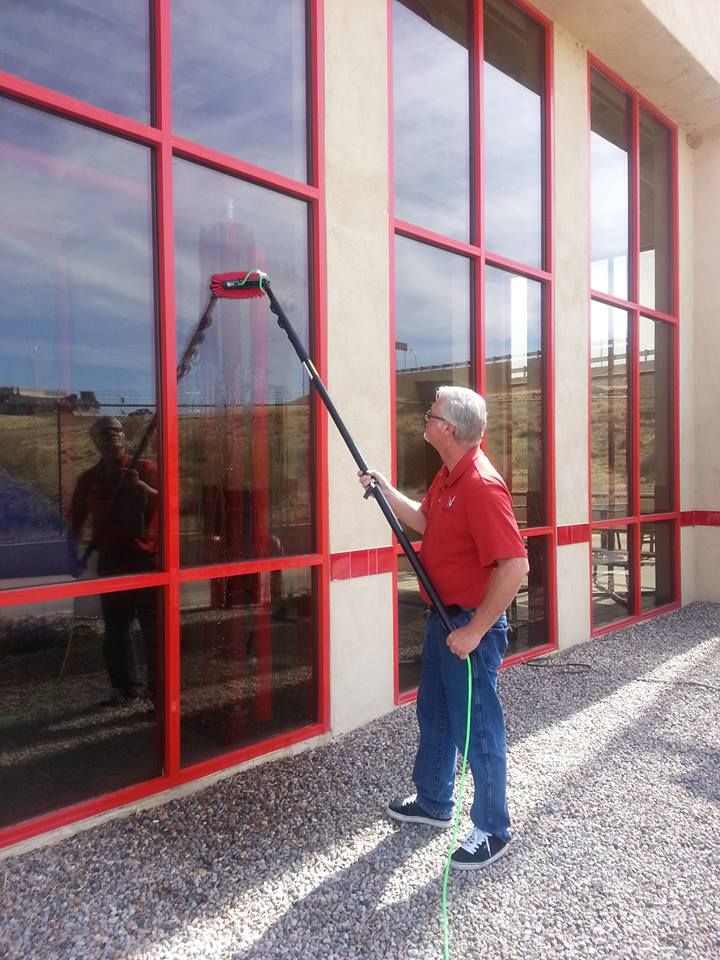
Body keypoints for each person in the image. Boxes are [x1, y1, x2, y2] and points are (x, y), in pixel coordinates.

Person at [359, 386, 528, 870]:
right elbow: (427, 521)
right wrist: (386, 490)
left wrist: (475, 630)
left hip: (467, 629)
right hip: (442, 619)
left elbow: (515, 565)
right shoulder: (450, 475)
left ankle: (493, 828)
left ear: (447, 429)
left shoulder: (480, 484)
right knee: (434, 714)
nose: (425, 421)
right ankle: (434, 801)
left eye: (430, 415)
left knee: (479, 730)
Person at [68, 416, 159, 706]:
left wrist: (143, 489)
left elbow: (169, 502)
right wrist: (72, 555)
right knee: (116, 629)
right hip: (112, 561)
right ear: (95, 440)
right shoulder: (88, 480)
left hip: (146, 561)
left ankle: (160, 689)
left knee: (154, 628)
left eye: (117, 431)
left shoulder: (145, 469)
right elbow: (75, 520)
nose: (112, 437)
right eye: (105, 433)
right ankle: (124, 687)